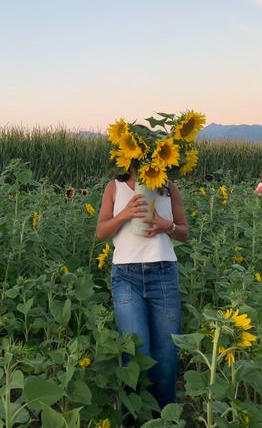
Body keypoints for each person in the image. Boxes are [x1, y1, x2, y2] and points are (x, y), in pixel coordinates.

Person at [96, 166, 189, 412]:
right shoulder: (114, 187)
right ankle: (132, 417)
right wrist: (125, 214)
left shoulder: (169, 189)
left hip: (163, 275)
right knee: (135, 351)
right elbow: (101, 232)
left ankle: (164, 417)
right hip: (127, 277)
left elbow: (184, 232)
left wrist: (164, 226)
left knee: (167, 356)